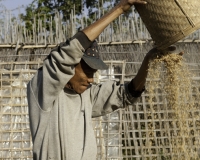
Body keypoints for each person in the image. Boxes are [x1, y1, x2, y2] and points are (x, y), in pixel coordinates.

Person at [27, 0, 175, 159]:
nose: (91, 80)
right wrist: (119, 9)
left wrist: (149, 60)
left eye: (93, 73)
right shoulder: (44, 87)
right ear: (71, 66)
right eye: (87, 72)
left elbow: (127, 94)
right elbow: (69, 51)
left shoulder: (87, 95)